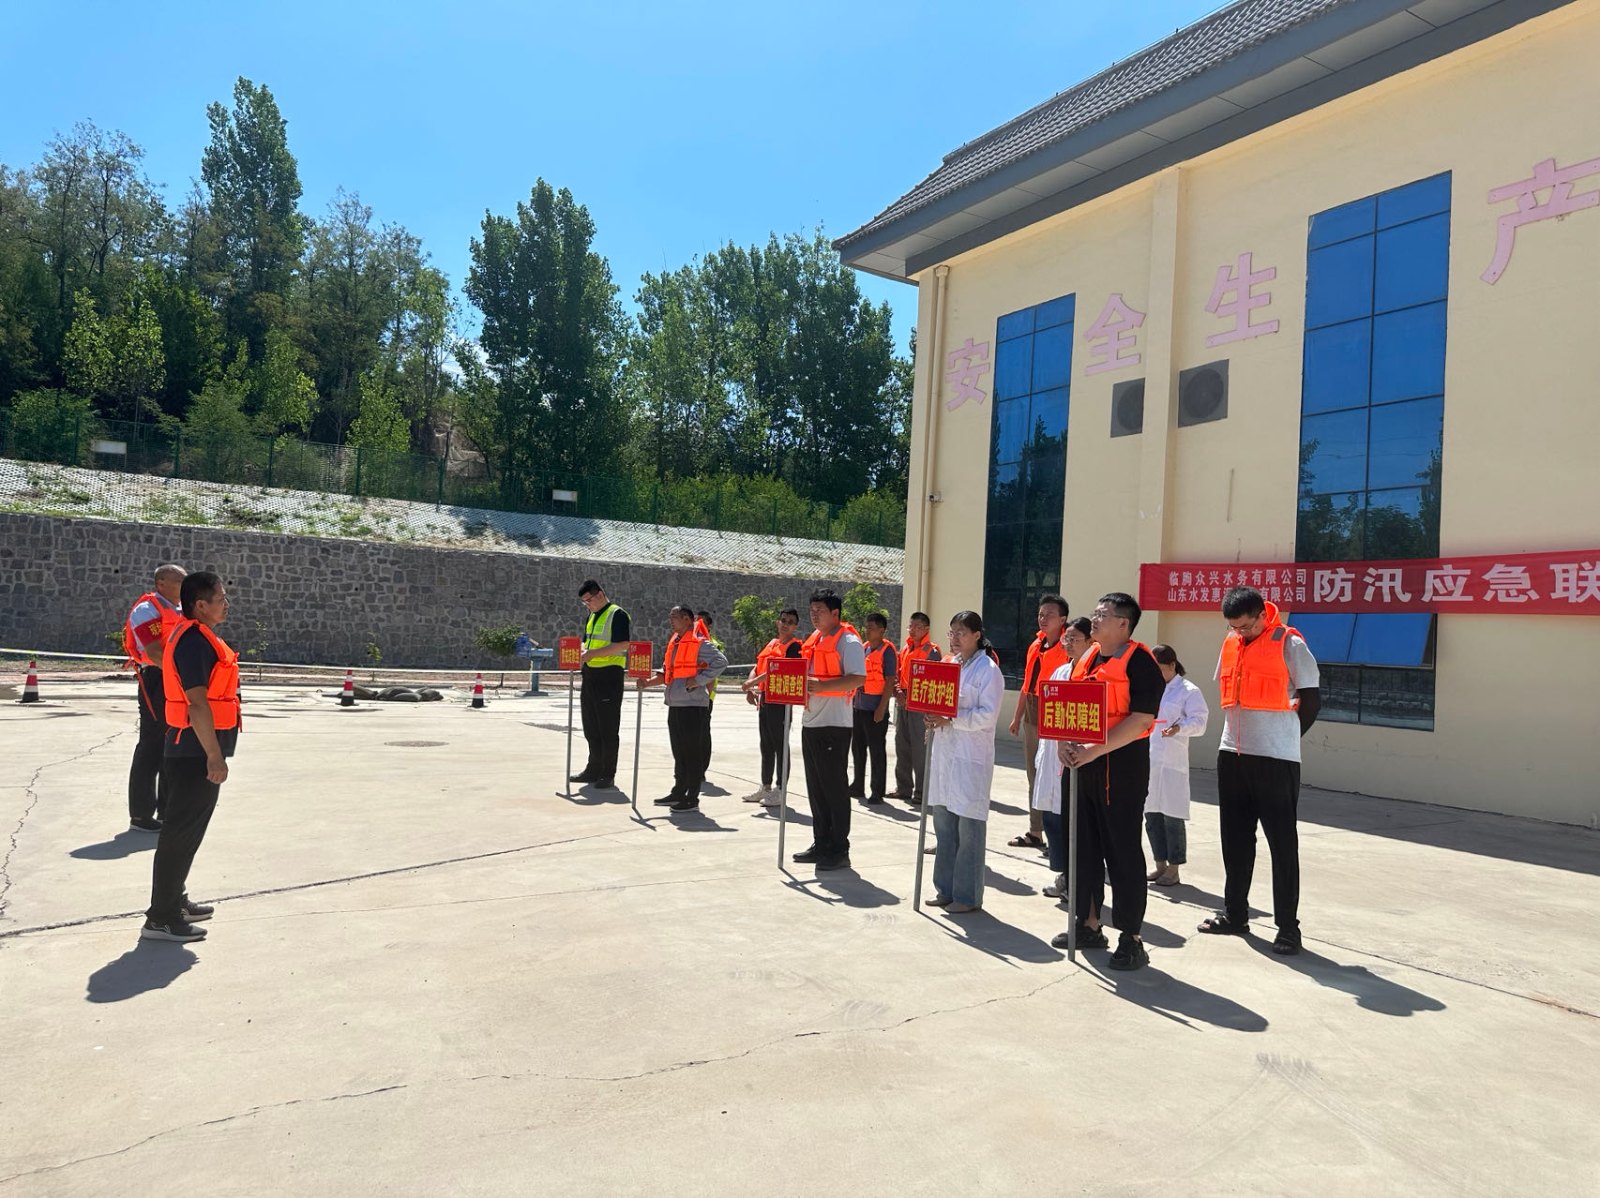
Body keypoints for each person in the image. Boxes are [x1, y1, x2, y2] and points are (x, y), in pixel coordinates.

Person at [1197, 586, 1321, 955]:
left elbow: (1312, 700)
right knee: (1234, 840)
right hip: (1232, 754)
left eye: (1247, 626)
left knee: (1282, 844)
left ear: (1263, 616)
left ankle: (1288, 928)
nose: (1241, 632)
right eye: (1234, 627)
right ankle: (1235, 914)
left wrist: (1285, 738)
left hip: (1275, 758)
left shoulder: (1290, 643)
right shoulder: (1231, 643)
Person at [1054, 593, 1163, 971]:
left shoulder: (1141, 662)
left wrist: (1093, 750)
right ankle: (1088, 924)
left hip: (1120, 771)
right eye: (1095, 612)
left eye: (1103, 614)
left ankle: (1131, 937)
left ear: (1123, 623)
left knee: (1122, 852)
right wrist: (1064, 744)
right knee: (1080, 847)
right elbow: (1068, 707)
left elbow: (1141, 720)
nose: (1095, 619)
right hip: (1080, 768)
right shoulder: (1085, 659)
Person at [141, 571, 237, 943]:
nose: (226, 604)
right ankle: (161, 918)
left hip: (191, 748)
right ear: (200, 605)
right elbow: (197, 704)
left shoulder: (194, 636)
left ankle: (174, 901)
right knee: (179, 835)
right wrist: (214, 756)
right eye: (221, 598)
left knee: (185, 833)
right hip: (193, 751)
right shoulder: (194, 642)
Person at [925, 611, 1004, 914]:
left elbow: (987, 716)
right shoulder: (950, 665)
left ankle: (968, 896)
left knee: (969, 830)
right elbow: (938, 702)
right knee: (944, 827)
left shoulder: (988, 671)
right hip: (946, 755)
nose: (955, 638)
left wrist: (951, 719)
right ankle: (945, 889)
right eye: (952, 632)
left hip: (971, 758)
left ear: (976, 636)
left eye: (961, 632)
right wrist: (932, 716)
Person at [793, 589, 867, 871]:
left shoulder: (848, 641)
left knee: (834, 789)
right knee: (816, 789)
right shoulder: (814, 639)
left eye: (820, 610)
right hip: (811, 722)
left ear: (835, 613)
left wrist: (822, 686)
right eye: (812, 610)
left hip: (834, 725)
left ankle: (839, 848)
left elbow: (858, 678)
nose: (814, 615)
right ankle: (821, 842)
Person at [639, 605, 727, 813]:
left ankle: (692, 797)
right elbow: (667, 673)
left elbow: (721, 662)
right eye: (670, 616)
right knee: (679, 752)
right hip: (676, 704)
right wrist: (647, 683)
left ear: (687, 619)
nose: (671, 620)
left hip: (693, 706)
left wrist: (698, 680)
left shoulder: (699, 642)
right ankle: (678, 791)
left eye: (675, 617)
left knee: (691, 753)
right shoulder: (675, 642)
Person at [122, 563, 186, 833]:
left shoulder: (180, 610)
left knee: (172, 743)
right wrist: (182, 673)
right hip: (157, 679)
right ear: (161, 583)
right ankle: (141, 815)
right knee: (151, 744)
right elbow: (154, 651)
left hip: (174, 678)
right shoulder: (147, 610)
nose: (185, 586)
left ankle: (166, 810)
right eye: (179, 581)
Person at [1034, 616, 1093, 902]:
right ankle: (1065, 877)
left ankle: (1078, 883)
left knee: (1076, 825)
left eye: (1074, 639)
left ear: (1090, 642)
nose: (1068, 643)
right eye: (1066, 638)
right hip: (1052, 756)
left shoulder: (1094, 674)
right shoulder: (1060, 671)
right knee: (1054, 819)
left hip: (1077, 756)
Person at [1007, 595, 1071, 852]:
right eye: (1041, 614)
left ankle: (1060, 835)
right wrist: (1017, 716)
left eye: (1049, 615)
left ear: (1062, 620)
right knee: (1034, 772)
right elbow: (1027, 684)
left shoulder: (1068, 647)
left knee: (1055, 773)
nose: (1043, 619)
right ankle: (1036, 831)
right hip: (1033, 710)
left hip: (1056, 709)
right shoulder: (1036, 645)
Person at [1145, 643, 1209, 887]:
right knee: (1151, 815)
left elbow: (1200, 722)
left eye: (1159, 669)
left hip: (1172, 762)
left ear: (1172, 665)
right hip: (1150, 760)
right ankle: (1159, 864)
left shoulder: (1188, 691)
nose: (1156, 675)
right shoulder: (1150, 688)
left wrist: (1180, 728)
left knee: (1172, 817)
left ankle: (1174, 868)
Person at [573, 580, 631, 789]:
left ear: (599, 594)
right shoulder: (592, 616)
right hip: (590, 674)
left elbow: (623, 644)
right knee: (591, 726)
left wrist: (592, 654)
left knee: (607, 727)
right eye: (584, 602)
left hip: (609, 676)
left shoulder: (617, 614)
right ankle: (593, 769)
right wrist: (579, 653)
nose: (587, 605)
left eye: (588, 600)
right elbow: (586, 642)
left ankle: (607, 773)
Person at [742, 609, 803, 806]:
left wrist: (752, 683)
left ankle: (780, 789)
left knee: (780, 746)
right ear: (778, 622)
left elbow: (778, 670)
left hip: (781, 701)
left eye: (790, 622)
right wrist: (752, 685)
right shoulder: (772, 643)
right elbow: (758, 667)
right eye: (783, 620)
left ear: (795, 627)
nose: (785, 624)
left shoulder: (794, 647)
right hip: (766, 699)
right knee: (766, 745)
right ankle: (765, 786)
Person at [889, 612, 941, 806]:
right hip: (903, 703)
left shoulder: (932, 651)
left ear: (926, 629)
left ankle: (921, 792)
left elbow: (933, 681)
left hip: (920, 706)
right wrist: (897, 692)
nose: (912, 630)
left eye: (917, 627)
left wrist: (909, 697)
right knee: (901, 746)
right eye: (910, 626)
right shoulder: (905, 648)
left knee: (920, 749)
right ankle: (903, 788)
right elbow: (898, 674)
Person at [849, 612, 898, 805]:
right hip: (859, 706)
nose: (867, 631)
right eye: (866, 627)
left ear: (882, 630)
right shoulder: (864, 648)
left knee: (876, 751)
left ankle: (877, 790)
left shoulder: (888, 651)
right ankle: (857, 785)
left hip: (875, 709)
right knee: (858, 748)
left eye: (871, 628)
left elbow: (890, 681)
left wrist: (882, 708)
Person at [695, 610, 725, 787]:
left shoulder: (713, 645)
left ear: (709, 626)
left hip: (706, 696)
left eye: (702, 622)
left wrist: (708, 694)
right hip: (690, 695)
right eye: (696, 621)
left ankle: (701, 770)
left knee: (702, 734)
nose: (698, 625)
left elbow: (713, 671)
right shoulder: (691, 640)